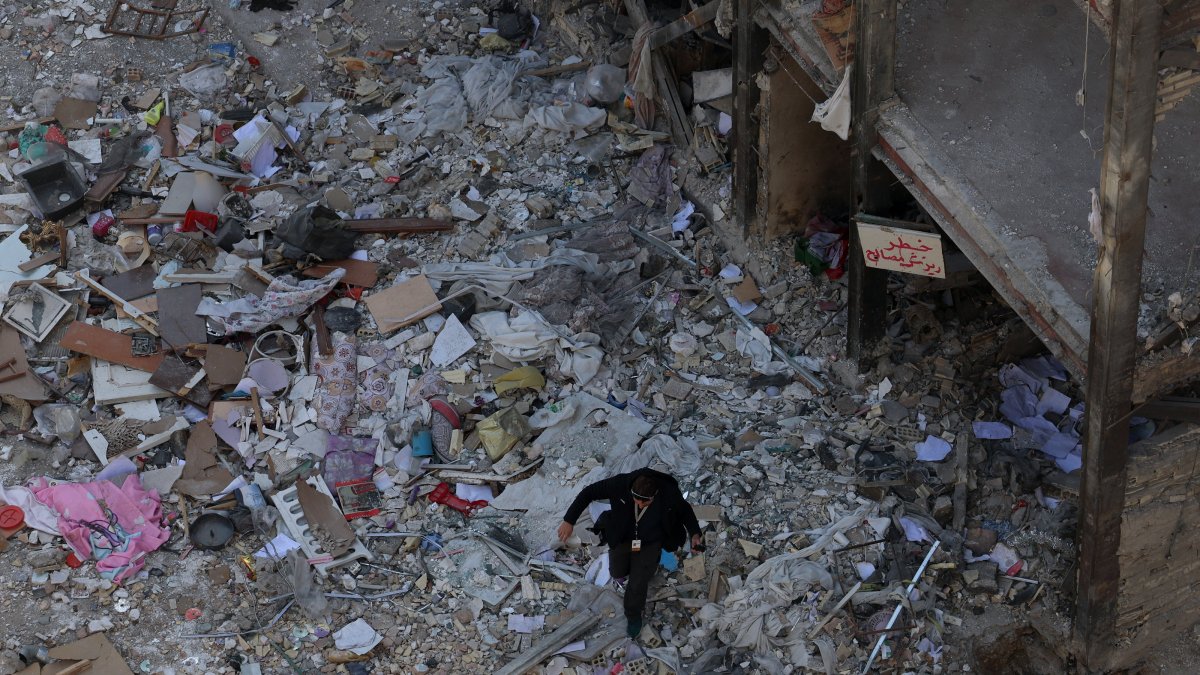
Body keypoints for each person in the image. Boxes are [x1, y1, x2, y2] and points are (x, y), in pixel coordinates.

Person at [557, 467, 702, 638]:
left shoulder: (669, 493)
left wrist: (695, 533)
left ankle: (633, 616)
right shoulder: (619, 484)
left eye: (645, 503)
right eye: (636, 500)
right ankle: (628, 571)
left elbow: (685, 511)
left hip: (650, 541)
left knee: (638, 581)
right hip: (623, 537)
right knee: (617, 571)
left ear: (655, 495)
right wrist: (569, 520)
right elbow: (588, 493)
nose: (640, 505)